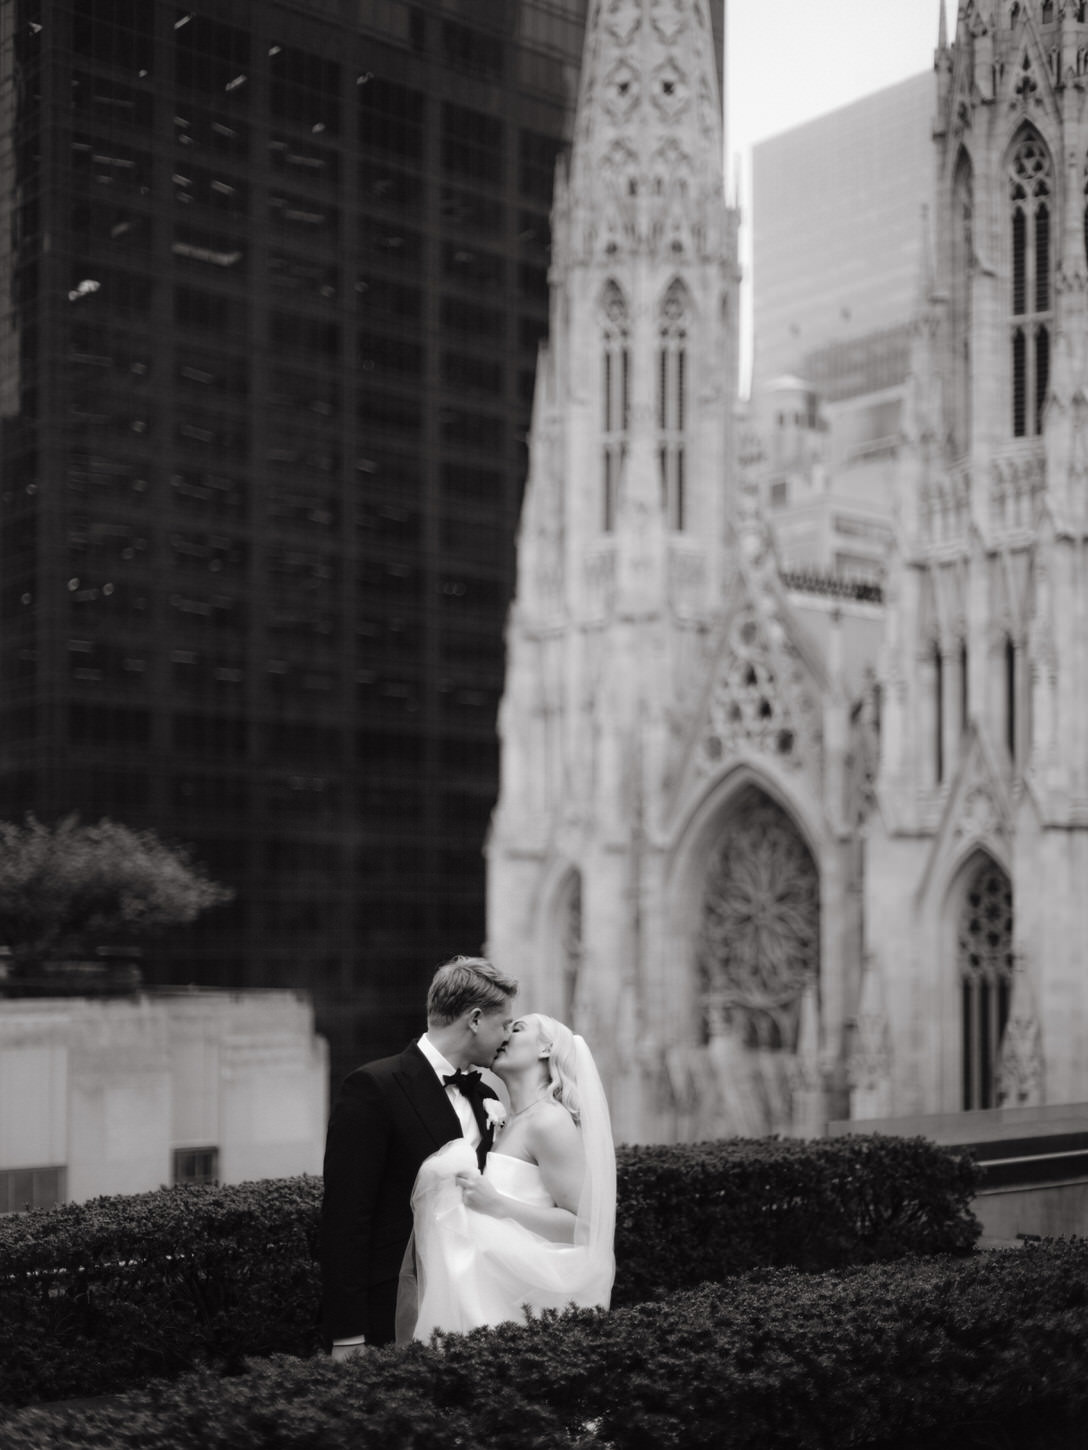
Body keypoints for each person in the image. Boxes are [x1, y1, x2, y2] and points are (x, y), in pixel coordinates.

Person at [319, 955, 517, 1354]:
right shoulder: (374, 1087)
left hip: (470, 1305)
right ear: (475, 1020)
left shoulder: (487, 1097)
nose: (508, 1036)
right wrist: (347, 1333)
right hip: (392, 1310)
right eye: (503, 1024)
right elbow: (345, 1219)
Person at [397, 1013, 616, 1341]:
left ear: (545, 1049)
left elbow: (581, 1226)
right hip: (484, 1287)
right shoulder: (506, 1119)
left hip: (519, 1296)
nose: (504, 1036)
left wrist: (498, 1205)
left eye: (517, 1028)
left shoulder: (549, 1122)